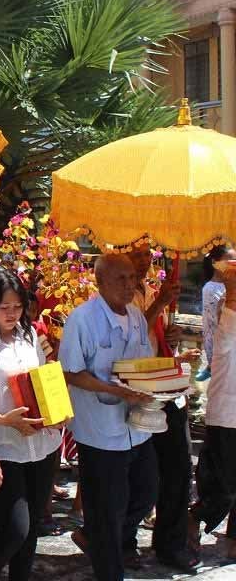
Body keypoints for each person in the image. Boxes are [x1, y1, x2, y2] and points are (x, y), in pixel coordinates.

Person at [58, 254, 157, 581]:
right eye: (121, 279)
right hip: (99, 431)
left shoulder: (137, 316)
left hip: (136, 427)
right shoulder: (82, 319)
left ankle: (102, 539)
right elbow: (71, 373)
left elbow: (142, 367)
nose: (130, 286)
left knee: (145, 494)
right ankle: (108, 565)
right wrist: (116, 391)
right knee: (107, 510)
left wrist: (168, 375)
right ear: (99, 282)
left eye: (132, 278)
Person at [0, 266, 62, 581]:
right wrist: (4, 419)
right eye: (4, 307)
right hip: (2, 445)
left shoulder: (29, 335)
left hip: (40, 442)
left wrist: (57, 411)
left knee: (32, 526)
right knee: (16, 527)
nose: (12, 314)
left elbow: (43, 378)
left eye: (17, 307)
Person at [125, 244, 200, 573]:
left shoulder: (154, 289)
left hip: (167, 387)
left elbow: (158, 335)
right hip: (137, 390)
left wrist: (171, 330)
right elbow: (129, 335)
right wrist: (158, 305)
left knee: (179, 468)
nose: (144, 261)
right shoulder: (118, 295)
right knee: (140, 475)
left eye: (147, 255)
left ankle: (171, 544)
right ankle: (122, 541)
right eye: (136, 255)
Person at [189, 264, 236, 561]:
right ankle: (191, 522)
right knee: (222, 485)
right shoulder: (227, 315)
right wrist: (231, 290)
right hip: (228, 413)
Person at [200, 246, 236, 379]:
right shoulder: (211, 289)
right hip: (222, 352)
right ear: (215, 263)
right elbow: (218, 323)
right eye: (230, 261)